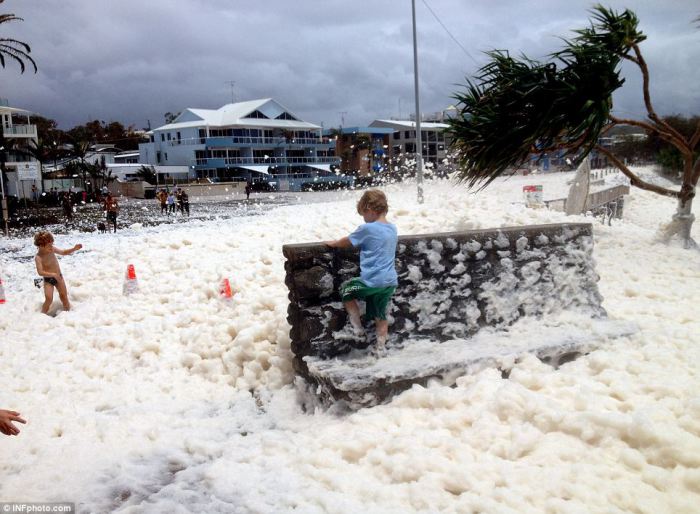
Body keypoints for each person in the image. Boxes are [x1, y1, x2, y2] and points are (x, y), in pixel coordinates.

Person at [326, 189, 398, 353]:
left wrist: (334, 243)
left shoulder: (368, 228)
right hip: (389, 282)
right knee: (380, 315)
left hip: (371, 281)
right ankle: (380, 348)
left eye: (363, 214)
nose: (364, 218)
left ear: (369, 209)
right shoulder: (392, 228)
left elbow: (348, 241)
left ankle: (357, 328)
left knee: (347, 290)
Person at [34, 231, 83, 315]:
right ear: (40, 245)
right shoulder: (38, 257)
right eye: (49, 245)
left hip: (59, 277)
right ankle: (41, 316)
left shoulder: (52, 249)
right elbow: (40, 272)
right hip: (48, 280)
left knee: (64, 297)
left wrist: (74, 249)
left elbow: (63, 252)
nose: (51, 247)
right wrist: (52, 274)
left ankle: (68, 313)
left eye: (52, 244)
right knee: (49, 299)